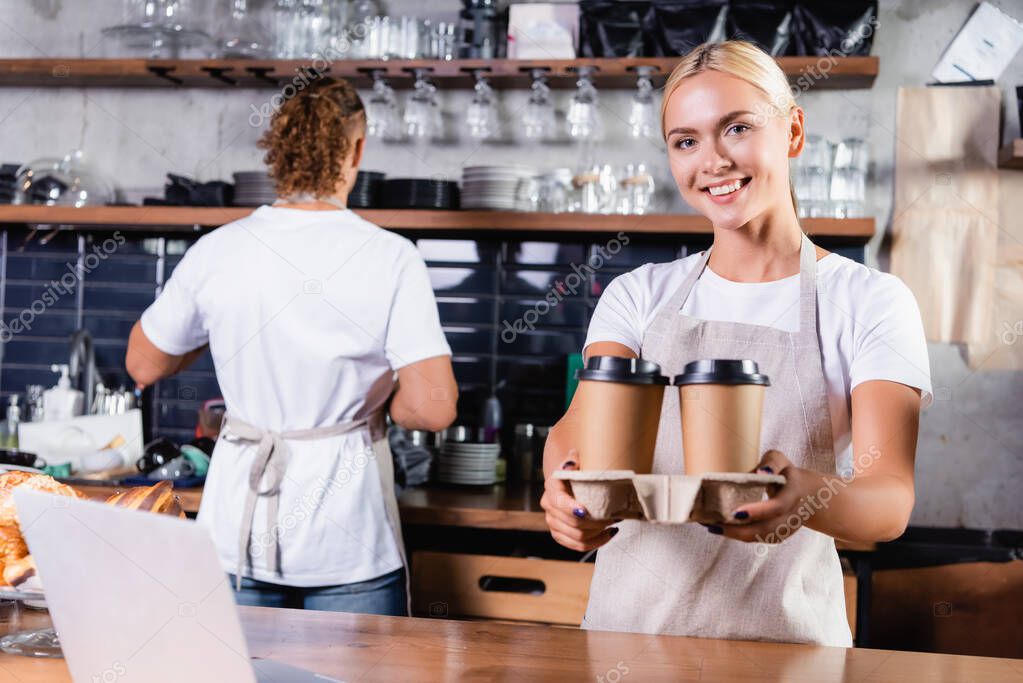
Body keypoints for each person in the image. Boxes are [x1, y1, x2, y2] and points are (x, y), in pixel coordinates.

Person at [540, 41, 931, 646]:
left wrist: (804, 495)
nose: (713, 160)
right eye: (686, 141)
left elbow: (888, 501)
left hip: (786, 649)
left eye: (738, 128)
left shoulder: (869, 301)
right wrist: (564, 491)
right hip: (627, 641)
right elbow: (577, 432)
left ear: (794, 131)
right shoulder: (638, 294)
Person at [125, 77, 457, 616]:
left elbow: (143, 362)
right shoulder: (392, 257)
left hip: (235, 540)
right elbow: (434, 408)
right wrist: (383, 397)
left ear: (276, 153)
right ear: (356, 150)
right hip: (352, 547)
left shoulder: (219, 250)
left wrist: (212, 338)